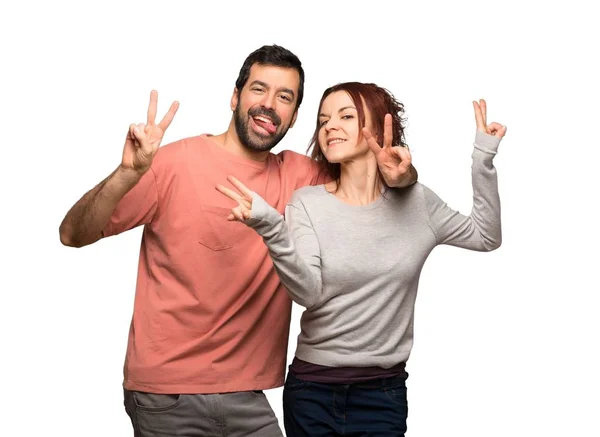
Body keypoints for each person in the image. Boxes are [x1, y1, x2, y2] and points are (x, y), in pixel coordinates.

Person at [58, 46, 417, 436]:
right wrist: (127, 173)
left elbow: (371, 189)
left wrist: (405, 177)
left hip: (248, 395)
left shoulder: (302, 177)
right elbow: (73, 234)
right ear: (235, 96)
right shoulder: (173, 163)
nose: (268, 105)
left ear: (295, 118)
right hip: (167, 395)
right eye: (258, 89)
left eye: (285, 97)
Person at [217, 81, 506, 436]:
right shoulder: (307, 203)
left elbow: (486, 236)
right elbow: (306, 293)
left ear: (378, 125)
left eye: (346, 116)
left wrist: (483, 157)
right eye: (323, 120)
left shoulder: (417, 202)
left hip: (382, 394)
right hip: (312, 391)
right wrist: (272, 228)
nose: (330, 126)